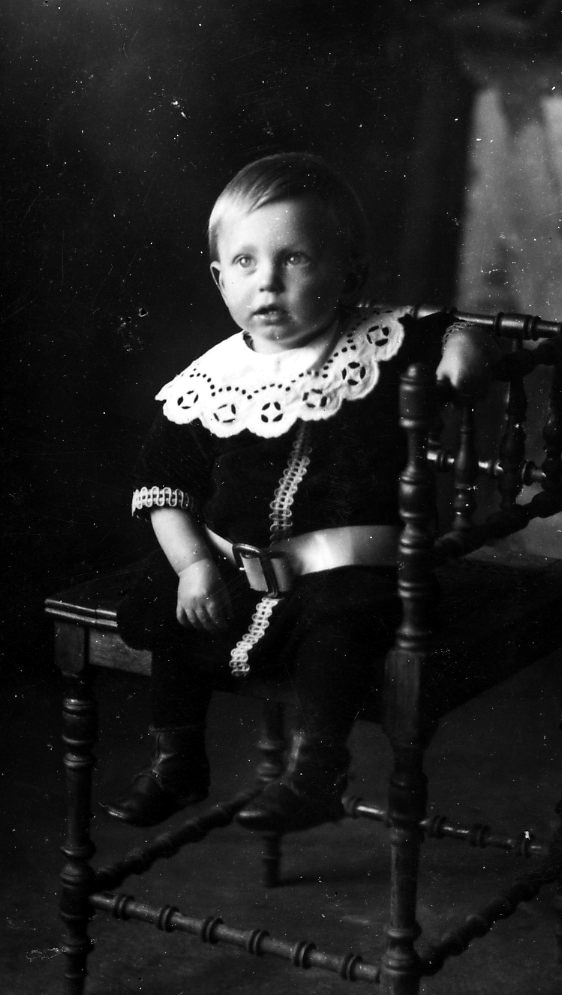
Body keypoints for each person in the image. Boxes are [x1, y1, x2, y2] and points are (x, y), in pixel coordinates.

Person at [105, 152, 494, 832]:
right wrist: (194, 565)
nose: (269, 282)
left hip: (349, 566)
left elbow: (455, 324)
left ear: (349, 273)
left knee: (339, 622)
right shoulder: (210, 381)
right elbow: (165, 489)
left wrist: (461, 346)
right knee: (163, 600)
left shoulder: (378, 343)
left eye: (295, 259)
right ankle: (178, 757)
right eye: (246, 262)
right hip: (234, 566)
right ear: (220, 278)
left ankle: (317, 770)